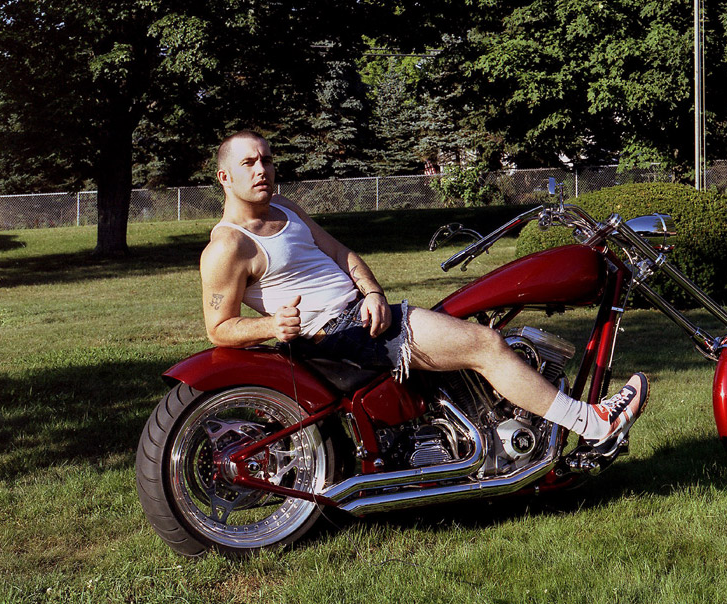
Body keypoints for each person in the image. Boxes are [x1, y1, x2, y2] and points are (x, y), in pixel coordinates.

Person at [201, 130, 649, 453]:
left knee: (479, 315)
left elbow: (341, 253)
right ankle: (593, 422)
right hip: (338, 336)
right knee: (485, 344)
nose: (262, 170)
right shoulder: (228, 246)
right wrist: (271, 324)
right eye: (249, 163)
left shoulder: (286, 207)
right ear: (224, 177)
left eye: (266, 159)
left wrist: (372, 292)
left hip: (364, 313)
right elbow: (218, 328)